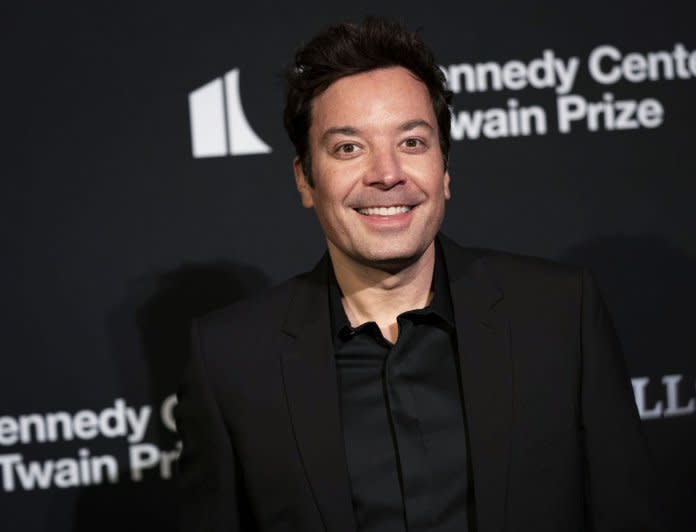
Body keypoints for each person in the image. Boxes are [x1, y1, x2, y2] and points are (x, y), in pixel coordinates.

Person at [175, 17, 657, 532]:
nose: (387, 173)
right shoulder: (231, 362)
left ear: (444, 168)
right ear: (305, 179)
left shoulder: (560, 315)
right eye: (348, 148)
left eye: (411, 142)